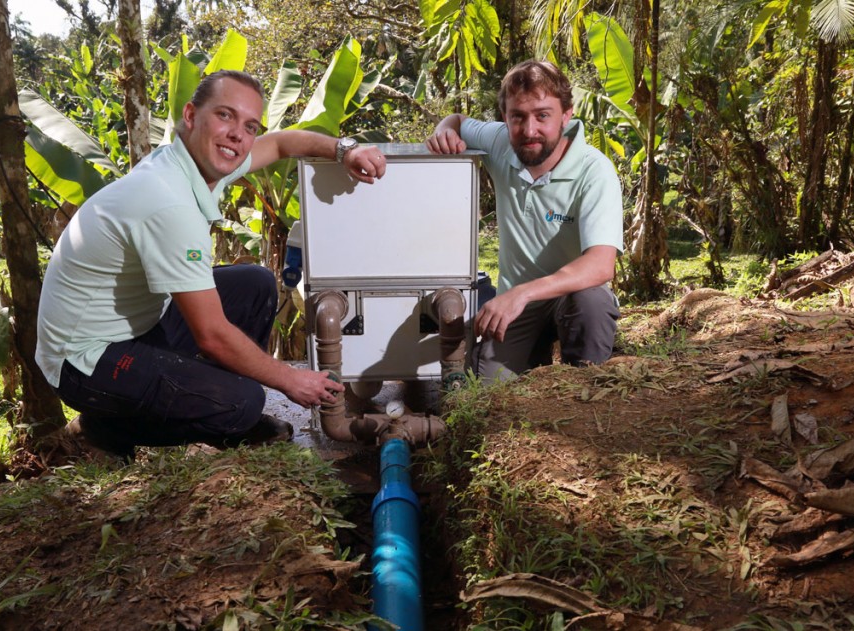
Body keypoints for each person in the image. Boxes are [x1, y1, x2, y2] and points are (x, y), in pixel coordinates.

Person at [36, 70, 387, 459]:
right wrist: (292, 380)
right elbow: (213, 336)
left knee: (254, 283)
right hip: (84, 360)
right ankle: (105, 426)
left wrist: (346, 150)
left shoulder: (197, 163)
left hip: (135, 326)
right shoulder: (168, 201)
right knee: (243, 402)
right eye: (225, 115)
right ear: (190, 115)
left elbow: (285, 143)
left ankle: (200, 402)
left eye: (250, 125)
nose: (238, 134)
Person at [426, 60, 623, 382]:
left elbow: (601, 265)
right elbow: (457, 121)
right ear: (505, 117)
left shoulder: (594, 172)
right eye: (518, 117)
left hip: (569, 297)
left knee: (591, 301)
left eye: (543, 115)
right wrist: (444, 131)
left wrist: (522, 293)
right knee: (485, 391)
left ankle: (589, 388)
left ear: (567, 114)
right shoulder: (500, 141)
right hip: (518, 309)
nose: (529, 130)